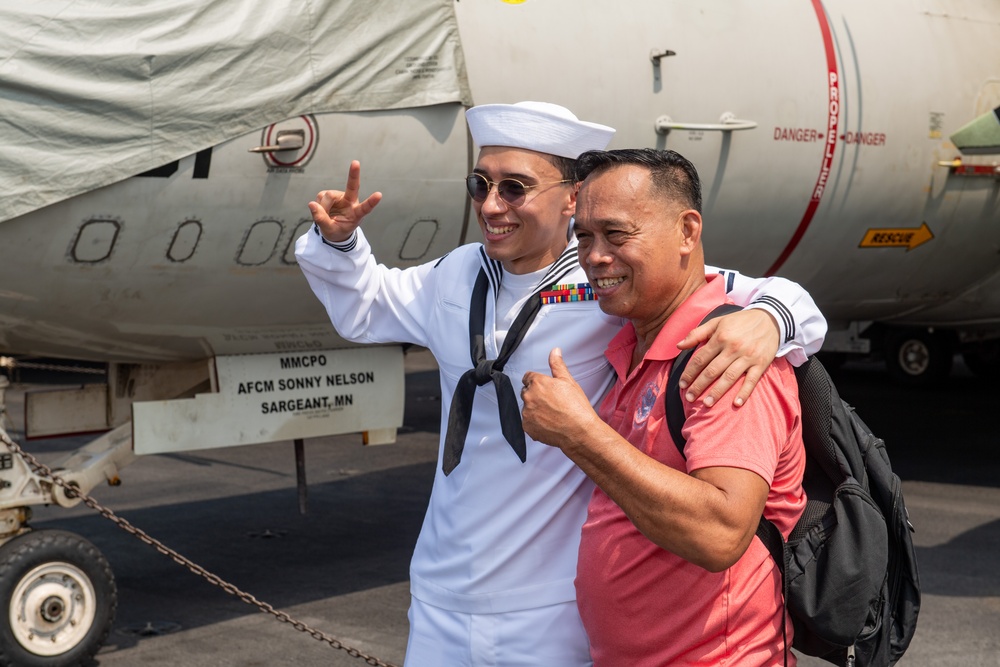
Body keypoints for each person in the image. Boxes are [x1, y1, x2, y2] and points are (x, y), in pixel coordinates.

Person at [296, 102, 824, 666]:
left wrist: (769, 319)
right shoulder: (455, 273)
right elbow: (368, 305)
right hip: (439, 591)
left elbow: (753, 293)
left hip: (549, 603)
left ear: (571, 197)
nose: (492, 205)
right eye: (480, 185)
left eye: (515, 187)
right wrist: (342, 245)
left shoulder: (608, 279)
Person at [520, 147, 808, 666]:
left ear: (687, 232)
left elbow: (721, 533)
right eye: (583, 236)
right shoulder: (635, 344)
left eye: (617, 234)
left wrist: (578, 434)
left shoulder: (722, 356)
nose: (593, 256)